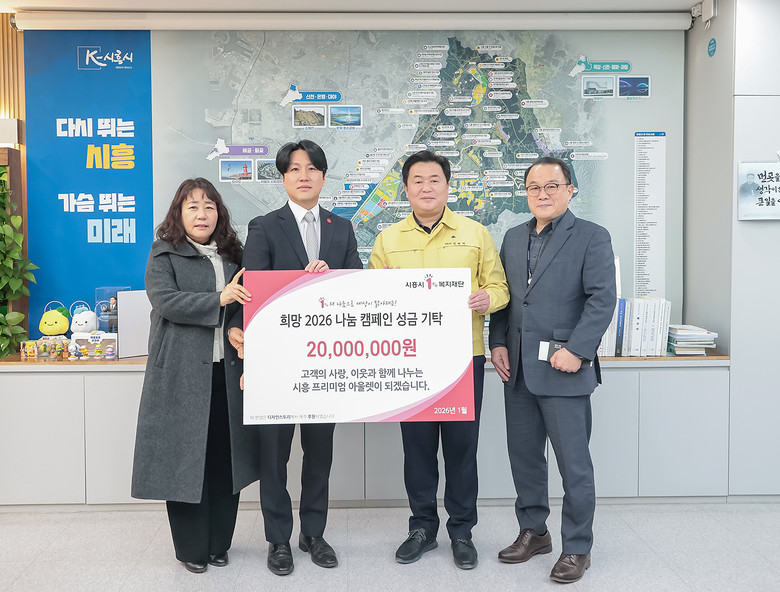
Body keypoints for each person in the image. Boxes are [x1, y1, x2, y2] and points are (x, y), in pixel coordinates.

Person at [368, 150, 509, 570]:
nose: (426, 187)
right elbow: (369, 296)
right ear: (405, 189)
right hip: (410, 360)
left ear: (448, 186)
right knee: (417, 449)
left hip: (463, 359)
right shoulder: (388, 239)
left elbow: (500, 288)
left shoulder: (475, 233)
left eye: (434, 180)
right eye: (418, 180)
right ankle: (423, 528)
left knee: (462, 450)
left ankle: (462, 531)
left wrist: (487, 299)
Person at [232, 139, 362, 576]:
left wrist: (332, 277)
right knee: (274, 456)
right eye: (294, 169)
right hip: (277, 361)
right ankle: (277, 540)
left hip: (324, 362)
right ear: (283, 178)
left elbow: (357, 288)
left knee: (319, 454)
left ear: (323, 177)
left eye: (311, 169)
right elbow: (253, 291)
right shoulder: (264, 226)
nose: (303, 176)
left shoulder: (342, 228)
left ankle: (314, 534)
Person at [489, 156, 616, 584]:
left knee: (573, 465)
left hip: (565, 369)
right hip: (519, 370)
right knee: (525, 458)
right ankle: (534, 532)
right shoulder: (512, 237)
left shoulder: (592, 236)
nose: (542, 194)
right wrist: (498, 342)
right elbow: (507, 298)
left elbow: (602, 299)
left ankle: (577, 547)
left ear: (570, 189)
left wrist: (578, 350)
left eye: (551, 186)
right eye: (534, 187)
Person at [131, 178, 259, 574]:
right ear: (179, 213)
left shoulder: (234, 255)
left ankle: (219, 544)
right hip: (182, 375)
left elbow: (245, 306)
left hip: (228, 374)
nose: (202, 214)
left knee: (225, 460)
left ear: (219, 212)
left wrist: (236, 324)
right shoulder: (164, 253)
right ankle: (190, 548)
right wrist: (219, 298)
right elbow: (166, 301)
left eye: (209, 206)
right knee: (185, 462)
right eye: (192, 207)